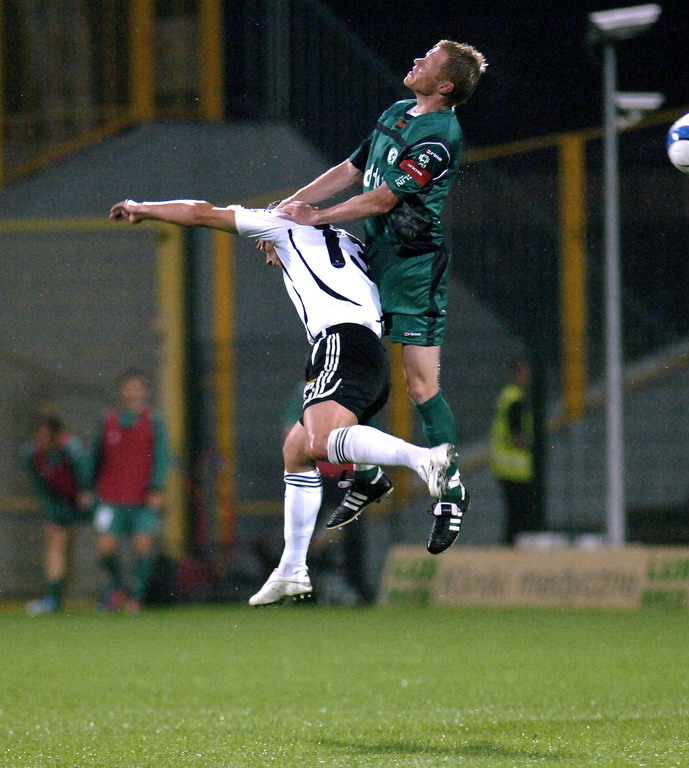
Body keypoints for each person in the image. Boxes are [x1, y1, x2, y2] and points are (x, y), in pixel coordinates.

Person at [109, 198, 456, 605]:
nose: (262, 250)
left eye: (262, 240)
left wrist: (144, 209)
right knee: (296, 451)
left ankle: (423, 460)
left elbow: (201, 212)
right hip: (366, 353)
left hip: (341, 343)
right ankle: (292, 569)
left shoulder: (283, 226)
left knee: (319, 443)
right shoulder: (346, 241)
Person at [276, 39, 487, 555]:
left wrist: (316, 217)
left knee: (420, 386)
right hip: (372, 258)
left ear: (445, 85)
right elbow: (351, 170)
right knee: (353, 365)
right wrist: (289, 210)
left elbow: (384, 198)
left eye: (428, 61)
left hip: (413, 270)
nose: (415, 60)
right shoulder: (395, 112)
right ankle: (366, 475)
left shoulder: (441, 136)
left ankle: (451, 492)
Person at [85, 368, 169, 613]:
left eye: (138, 388)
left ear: (146, 392)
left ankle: (136, 596)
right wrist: (88, 487)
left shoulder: (153, 421)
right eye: (129, 388)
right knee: (104, 548)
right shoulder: (108, 420)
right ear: (122, 391)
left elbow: (161, 456)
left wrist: (157, 488)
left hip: (142, 497)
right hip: (110, 497)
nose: (133, 393)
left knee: (143, 545)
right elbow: (95, 457)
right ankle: (118, 585)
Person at [24, 415, 89, 615]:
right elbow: (41, 488)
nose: (42, 440)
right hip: (60, 505)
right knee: (55, 540)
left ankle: (117, 592)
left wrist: (85, 493)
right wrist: (54, 512)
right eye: (39, 436)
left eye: (46, 436)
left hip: (88, 501)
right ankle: (53, 599)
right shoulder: (32, 454)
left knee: (105, 544)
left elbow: (87, 473)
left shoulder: (71, 449)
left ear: (56, 435)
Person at [490, 356, 541, 545]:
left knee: (513, 514)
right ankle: (511, 549)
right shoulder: (516, 399)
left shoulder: (506, 395)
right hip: (514, 468)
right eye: (524, 372)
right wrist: (530, 446)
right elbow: (515, 435)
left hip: (505, 466)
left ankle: (510, 547)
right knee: (517, 515)